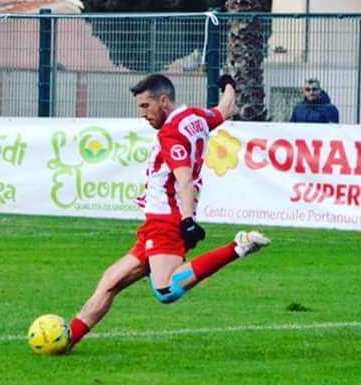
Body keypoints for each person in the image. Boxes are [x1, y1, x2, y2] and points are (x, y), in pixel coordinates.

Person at [67, 73, 271, 350]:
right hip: (157, 220)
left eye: (145, 106)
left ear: (163, 101)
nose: (142, 114)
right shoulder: (196, 117)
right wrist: (229, 85)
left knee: (165, 290)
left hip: (166, 219)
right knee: (111, 280)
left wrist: (188, 221)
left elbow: (183, 179)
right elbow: (224, 110)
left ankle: (238, 247)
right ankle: (66, 339)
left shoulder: (171, 132)